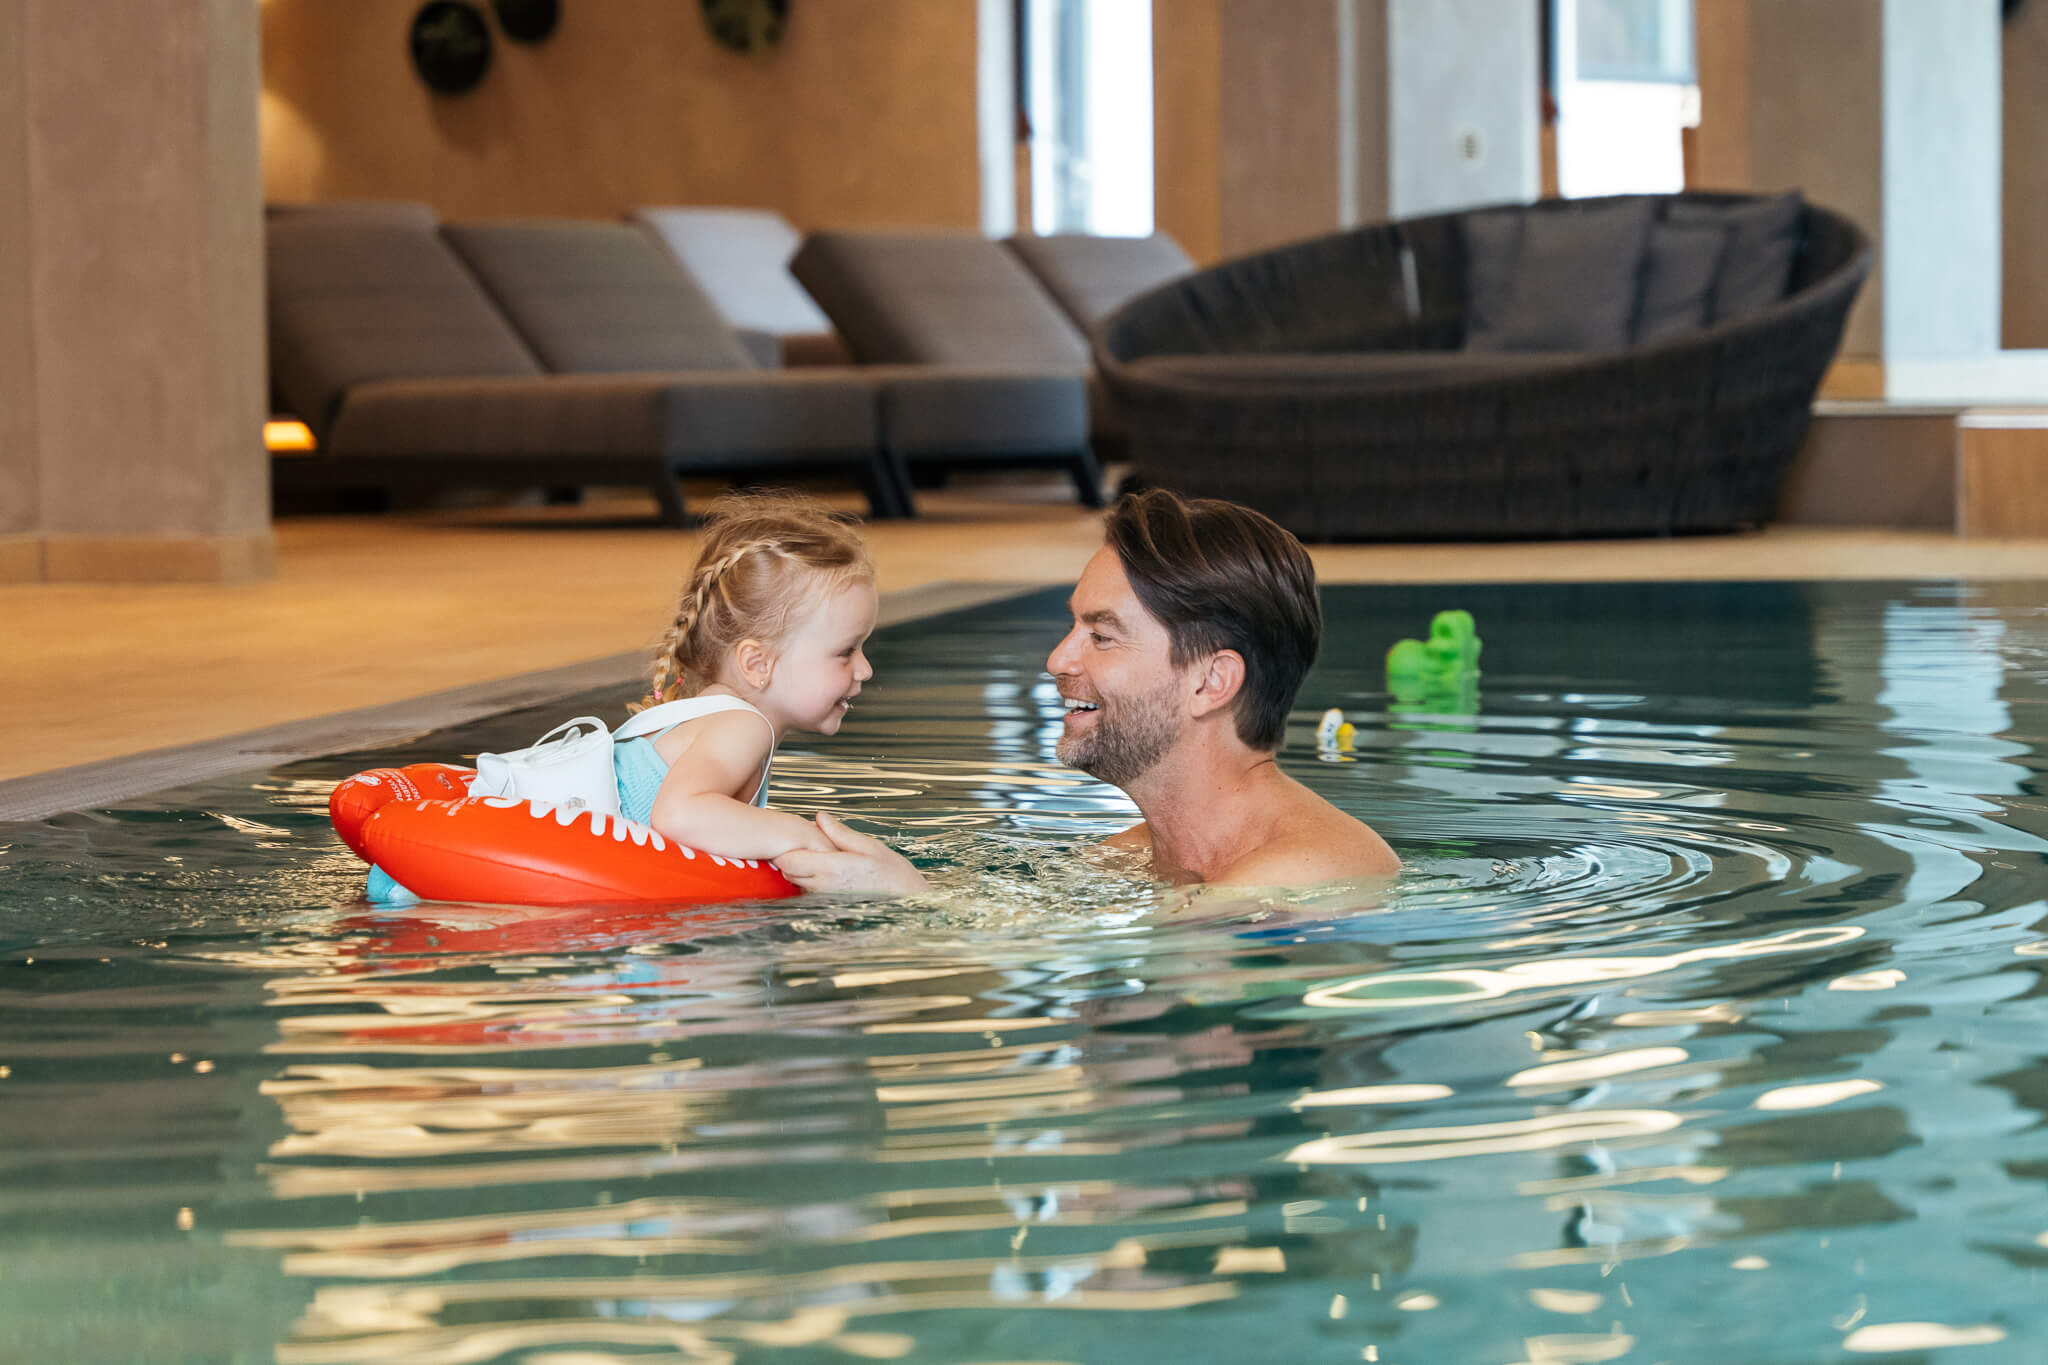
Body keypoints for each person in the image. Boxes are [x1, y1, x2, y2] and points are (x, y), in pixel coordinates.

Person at [779, 488, 1400, 895]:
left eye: (1102, 636)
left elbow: (1167, 963)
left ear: (1210, 682)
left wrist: (909, 895)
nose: (1057, 658)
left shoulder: (1308, 872)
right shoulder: (1132, 856)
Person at [616, 492, 877, 861]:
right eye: (846, 651)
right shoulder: (742, 725)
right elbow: (678, 815)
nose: (865, 669)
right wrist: (805, 836)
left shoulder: (708, 716)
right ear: (758, 664)